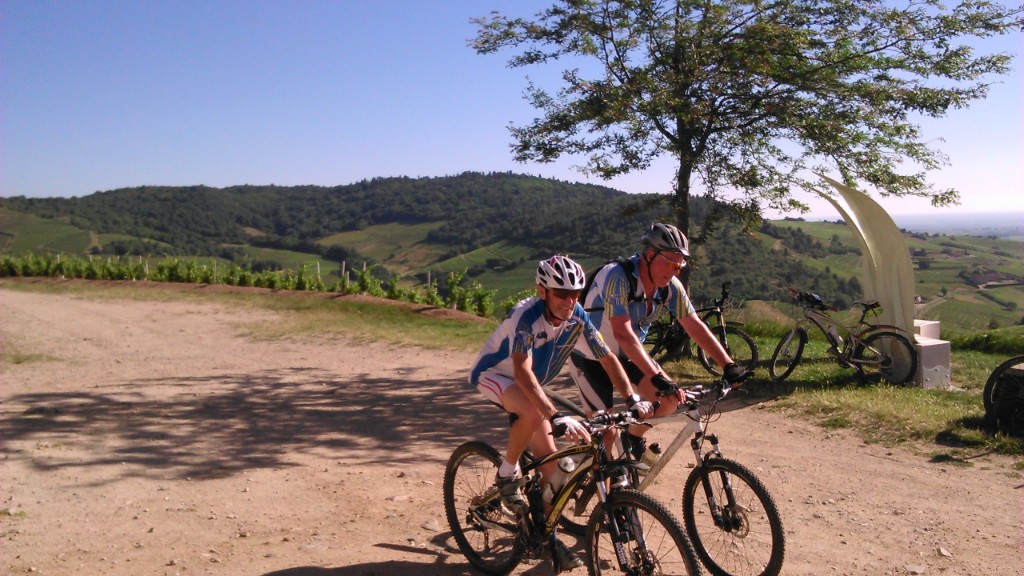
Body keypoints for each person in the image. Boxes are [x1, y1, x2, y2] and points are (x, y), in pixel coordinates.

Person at [469, 254, 654, 571]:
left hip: (529, 385)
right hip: (496, 375)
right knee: (532, 412)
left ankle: (543, 536)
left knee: (555, 474)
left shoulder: (577, 315)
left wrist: (632, 397)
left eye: (575, 294)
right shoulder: (526, 316)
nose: (570, 301)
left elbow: (607, 357)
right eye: (562, 293)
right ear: (543, 291)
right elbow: (522, 371)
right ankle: (507, 473)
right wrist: (555, 415)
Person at [569, 222, 747, 459]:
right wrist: (656, 376)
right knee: (605, 434)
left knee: (669, 400)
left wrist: (728, 365)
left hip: (628, 354)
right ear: (650, 254)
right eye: (671, 264)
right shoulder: (616, 276)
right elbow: (622, 333)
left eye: (680, 266)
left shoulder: (669, 287)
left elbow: (693, 324)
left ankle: (632, 436)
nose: (676, 271)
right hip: (590, 356)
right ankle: (602, 481)